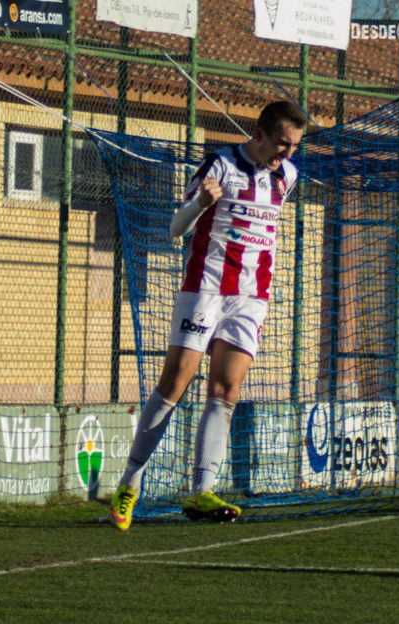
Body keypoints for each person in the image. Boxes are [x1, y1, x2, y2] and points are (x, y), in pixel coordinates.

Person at [109, 100, 308, 531]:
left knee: (226, 389)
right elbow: (175, 229)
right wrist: (200, 202)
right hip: (206, 288)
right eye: (281, 143)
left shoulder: (286, 177)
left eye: (294, 146)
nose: (287, 153)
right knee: (176, 381)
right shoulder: (218, 165)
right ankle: (130, 483)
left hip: (252, 296)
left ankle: (201, 492)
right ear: (258, 133)